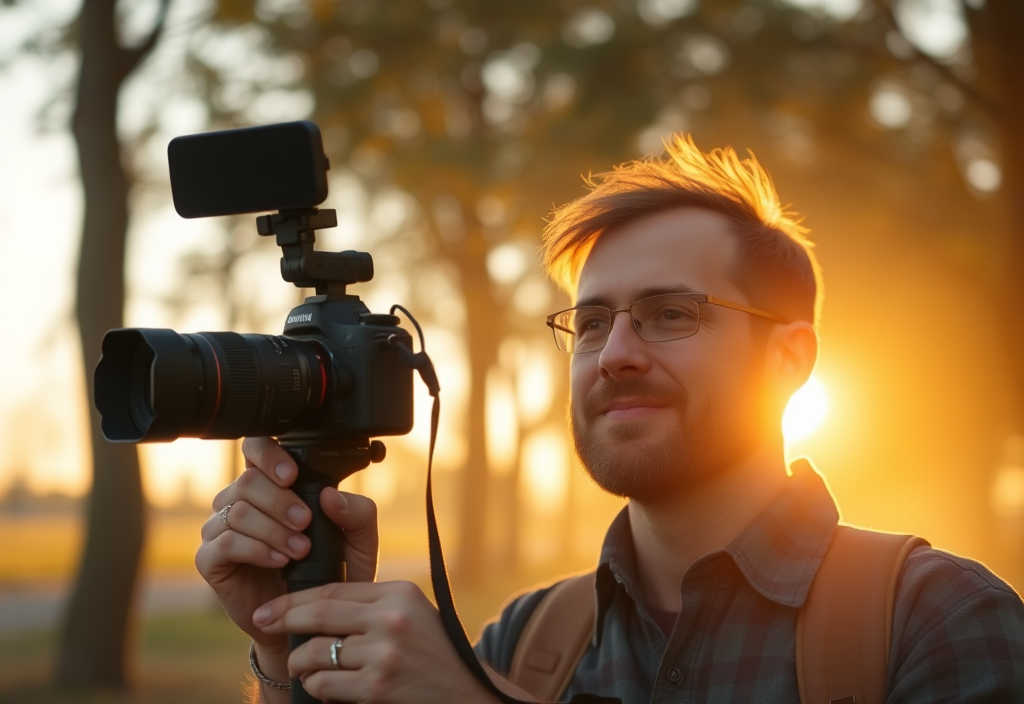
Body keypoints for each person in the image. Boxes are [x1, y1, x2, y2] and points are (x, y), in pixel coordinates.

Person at [196, 134, 1024, 703]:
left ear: (788, 359)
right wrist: (291, 645)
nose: (615, 352)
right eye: (590, 323)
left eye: (670, 314)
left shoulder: (936, 621)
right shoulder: (527, 642)